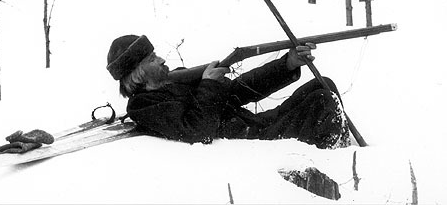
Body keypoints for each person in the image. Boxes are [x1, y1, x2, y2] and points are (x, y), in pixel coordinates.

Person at [106, 34, 350, 149]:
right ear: (138, 73)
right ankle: (335, 157)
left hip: (252, 124)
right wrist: (209, 85)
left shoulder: (172, 81)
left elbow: (237, 92)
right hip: (249, 142)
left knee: (322, 84)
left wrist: (288, 64)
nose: (160, 60)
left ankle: (340, 145)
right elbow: (197, 131)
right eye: (152, 59)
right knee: (322, 101)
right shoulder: (143, 106)